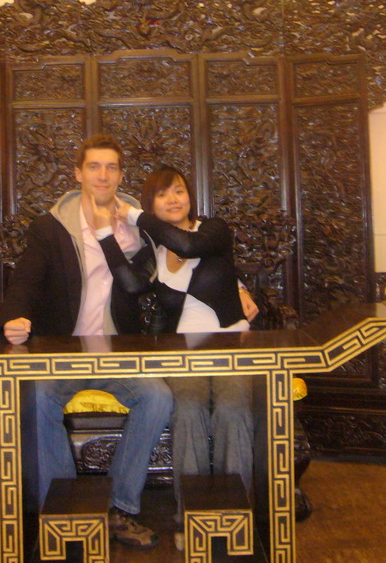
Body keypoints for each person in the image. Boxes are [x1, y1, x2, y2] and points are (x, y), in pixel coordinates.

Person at [0, 134, 171, 550]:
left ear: (121, 175)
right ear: (77, 174)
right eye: (94, 166)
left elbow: (179, 259)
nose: (103, 175)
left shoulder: (136, 227)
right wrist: (13, 318)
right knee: (38, 398)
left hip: (117, 353)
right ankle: (65, 512)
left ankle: (121, 508)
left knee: (158, 398)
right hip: (62, 353)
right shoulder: (51, 227)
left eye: (111, 167)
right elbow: (25, 280)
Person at [106, 164, 259, 550]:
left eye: (178, 190)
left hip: (231, 348)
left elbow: (188, 247)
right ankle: (189, 515)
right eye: (162, 194)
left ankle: (235, 511)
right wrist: (107, 236)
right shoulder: (154, 252)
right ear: (151, 204)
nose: (173, 199)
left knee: (232, 408)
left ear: (190, 195)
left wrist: (134, 216)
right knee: (187, 409)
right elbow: (129, 284)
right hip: (184, 355)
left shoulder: (213, 230)